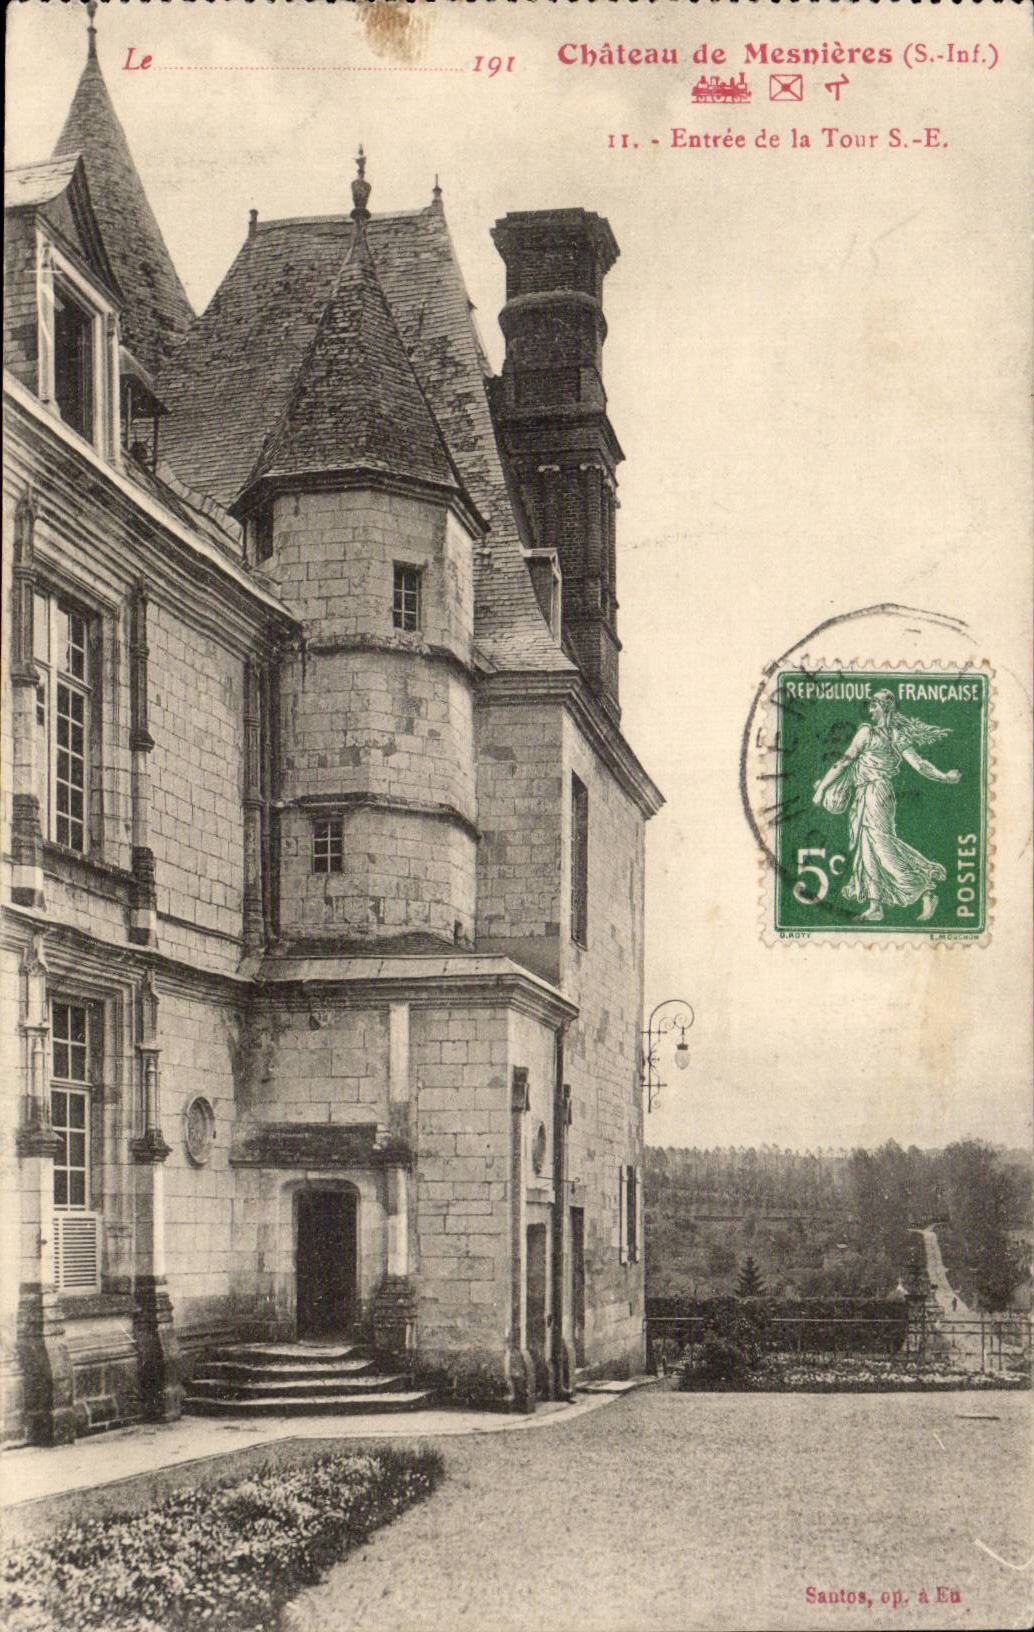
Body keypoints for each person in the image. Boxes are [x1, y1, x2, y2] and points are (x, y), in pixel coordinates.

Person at [812, 690, 961, 923]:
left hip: (876, 793)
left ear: (885, 708)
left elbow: (845, 761)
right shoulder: (892, 735)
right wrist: (945, 777)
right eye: (870, 706)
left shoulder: (872, 733)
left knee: (881, 846)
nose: (870, 710)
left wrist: (822, 788)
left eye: (874, 706)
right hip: (868, 793)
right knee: (867, 848)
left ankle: (925, 888)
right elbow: (920, 765)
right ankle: (875, 906)